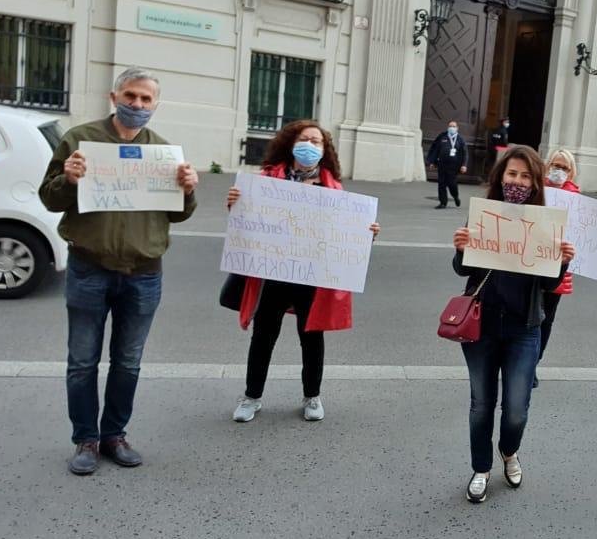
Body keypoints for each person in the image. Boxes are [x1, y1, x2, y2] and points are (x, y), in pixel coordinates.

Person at [39, 67, 199, 475]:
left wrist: (188, 189)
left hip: (144, 273)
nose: (137, 104)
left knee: (128, 361)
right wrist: (69, 180)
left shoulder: (164, 152)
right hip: (89, 268)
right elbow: (49, 199)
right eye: (130, 96)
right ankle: (85, 439)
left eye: (146, 99)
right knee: (82, 361)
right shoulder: (80, 140)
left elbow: (178, 214)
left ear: (156, 104)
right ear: (115, 97)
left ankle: (114, 435)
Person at [226, 120, 380, 423]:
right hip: (273, 274)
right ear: (291, 144)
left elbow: (342, 232)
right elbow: (247, 223)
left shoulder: (333, 189)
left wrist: (365, 233)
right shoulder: (266, 181)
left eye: (316, 141)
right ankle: (251, 397)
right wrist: (235, 205)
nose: (310, 145)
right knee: (263, 336)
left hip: (312, 278)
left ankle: (312, 396)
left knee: (311, 338)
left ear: (324, 150)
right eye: (304, 139)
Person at [451, 145, 575, 504]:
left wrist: (562, 262)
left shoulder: (545, 224)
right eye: (512, 174)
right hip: (482, 326)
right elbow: (463, 270)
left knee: (517, 408)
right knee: (481, 404)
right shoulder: (484, 216)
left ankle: (509, 451)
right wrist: (461, 249)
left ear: (535, 182)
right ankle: (481, 468)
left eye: (525, 176)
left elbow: (549, 285)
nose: (517, 182)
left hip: (524, 329)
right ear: (501, 177)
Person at [536, 149, 597, 388]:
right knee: (529, 318)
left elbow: (593, 234)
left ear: (571, 172)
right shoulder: (537, 191)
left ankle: (533, 362)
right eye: (555, 165)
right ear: (547, 166)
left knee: (546, 320)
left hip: (559, 271)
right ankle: (522, 361)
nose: (558, 171)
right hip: (533, 267)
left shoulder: (577, 199)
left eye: (564, 168)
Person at [426, 120, 467, 209]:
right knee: (441, 184)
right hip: (442, 164)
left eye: (454, 126)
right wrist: (432, 162)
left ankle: (455, 196)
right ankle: (443, 202)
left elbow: (464, 153)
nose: (452, 128)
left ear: (457, 128)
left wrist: (464, 165)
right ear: (448, 127)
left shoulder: (460, 139)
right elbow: (435, 148)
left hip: (454, 166)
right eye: (450, 126)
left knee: (452, 184)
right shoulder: (442, 136)